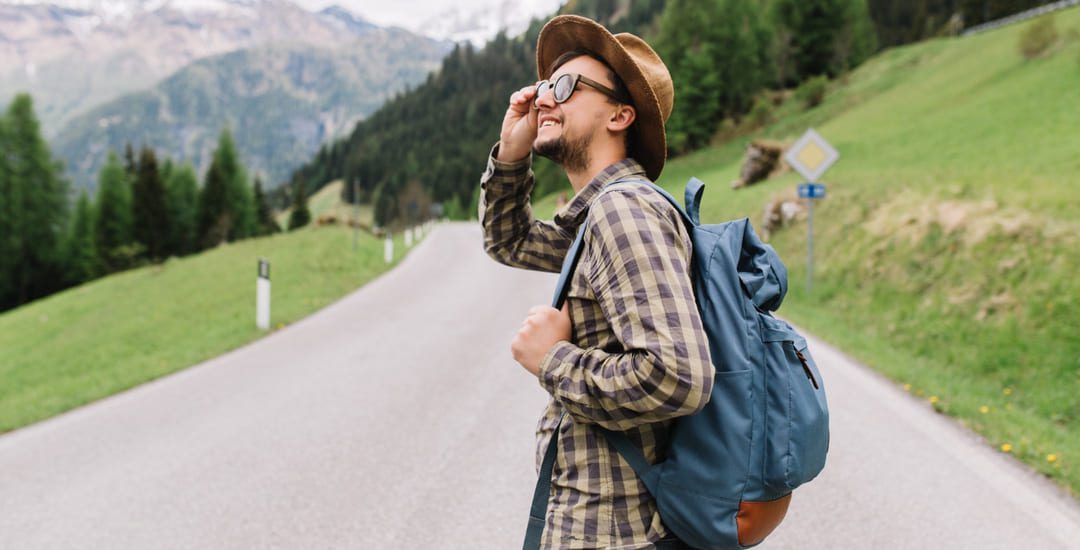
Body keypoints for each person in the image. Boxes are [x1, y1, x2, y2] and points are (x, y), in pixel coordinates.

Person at [477, 15, 714, 550]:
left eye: (566, 88)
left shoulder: (623, 213)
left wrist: (551, 359)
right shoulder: (597, 218)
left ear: (620, 114)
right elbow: (509, 241)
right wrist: (511, 154)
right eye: (543, 88)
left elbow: (679, 376)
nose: (544, 100)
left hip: (614, 531)